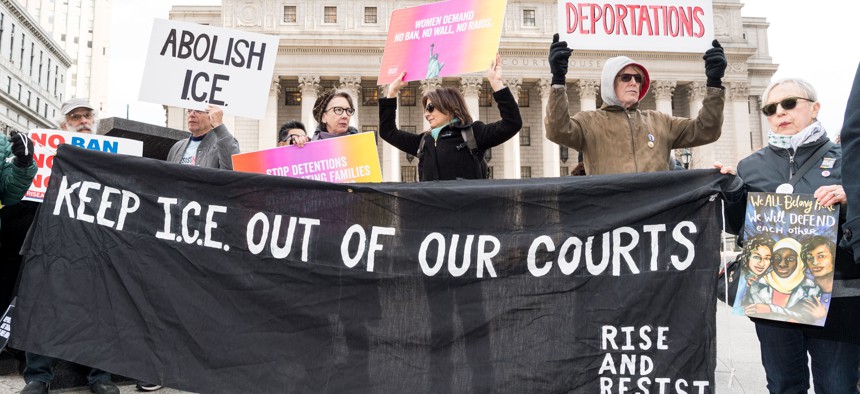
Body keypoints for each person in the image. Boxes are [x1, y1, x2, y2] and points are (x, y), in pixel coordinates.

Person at [719, 77, 860, 393]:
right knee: (783, 385)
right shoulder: (750, 166)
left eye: (789, 103)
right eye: (770, 108)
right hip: (774, 298)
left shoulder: (847, 159)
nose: (779, 112)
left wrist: (853, 195)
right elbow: (737, 228)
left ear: (815, 108)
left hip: (839, 295)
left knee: (838, 387)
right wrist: (730, 194)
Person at [19, 98, 118, 394]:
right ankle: (38, 377)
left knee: (100, 305)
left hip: (98, 239)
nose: (83, 120)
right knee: (42, 303)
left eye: (88, 115)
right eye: (75, 117)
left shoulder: (115, 155)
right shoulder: (49, 151)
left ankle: (100, 378)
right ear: (64, 125)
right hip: (54, 236)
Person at [544, 34, 726, 175]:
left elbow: (706, 130)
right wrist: (558, 81)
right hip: (614, 216)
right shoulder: (588, 122)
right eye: (625, 77)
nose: (633, 82)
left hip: (656, 216)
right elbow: (557, 130)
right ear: (609, 83)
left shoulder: (660, 121)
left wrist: (714, 83)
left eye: (637, 78)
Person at [380, 53, 522, 181]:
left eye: (430, 108)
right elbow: (388, 132)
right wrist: (391, 93)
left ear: (448, 107)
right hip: (432, 210)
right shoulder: (424, 142)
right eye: (425, 109)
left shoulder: (473, 134)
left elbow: (512, 123)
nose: (426, 114)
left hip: (468, 209)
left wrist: (497, 85)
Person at [744, 237, 820, 322]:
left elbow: (808, 318)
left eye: (790, 259)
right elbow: (750, 312)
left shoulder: (810, 288)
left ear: (800, 262)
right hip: (767, 330)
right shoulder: (757, 285)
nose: (782, 264)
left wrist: (771, 309)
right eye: (776, 258)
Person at [166, 104, 240, 168]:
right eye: (189, 111)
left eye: (198, 111)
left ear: (211, 116)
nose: (191, 114)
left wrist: (219, 125)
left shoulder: (224, 144)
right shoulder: (177, 147)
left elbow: (232, 168)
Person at [798, 236, 837, 325]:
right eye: (810, 258)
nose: (815, 262)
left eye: (821, 256)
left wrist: (821, 318)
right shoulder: (803, 291)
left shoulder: (847, 289)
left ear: (833, 257)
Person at [731, 235, 773, 315]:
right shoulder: (743, 279)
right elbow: (737, 309)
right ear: (747, 256)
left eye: (767, 258)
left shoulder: (767, 279)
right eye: (757, 257)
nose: (762, 264)